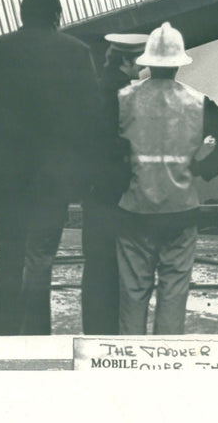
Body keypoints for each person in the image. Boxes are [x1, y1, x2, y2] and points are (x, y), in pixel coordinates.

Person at [0, 0, 100, 335]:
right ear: (57, 16)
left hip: (9, 173)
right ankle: (37, 333)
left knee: (9, 251)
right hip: (54, 176)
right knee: (41, 255)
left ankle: (5, 331)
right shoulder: (76, 53)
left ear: (22, 15)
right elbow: (90, 118)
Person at [114, 22, 218, 335]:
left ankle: (130, 362)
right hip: (181, 210)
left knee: (132, 293)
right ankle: (166, 366)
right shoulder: (198, 101)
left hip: (134, 208)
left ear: (148, 62)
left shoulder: (123, 99)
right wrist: (202, 169)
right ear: (179, 65)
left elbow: (103, 147)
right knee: (173, 294)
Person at [81, 33, 148, 335]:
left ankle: (95, 330)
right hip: (118, 191)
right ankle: (110, 334)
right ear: (126, 61)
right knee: (119, 267)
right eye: (140, 61)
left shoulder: (94, 87)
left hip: (93, 191)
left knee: (96, 265)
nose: (143, 67)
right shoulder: (124, 93)